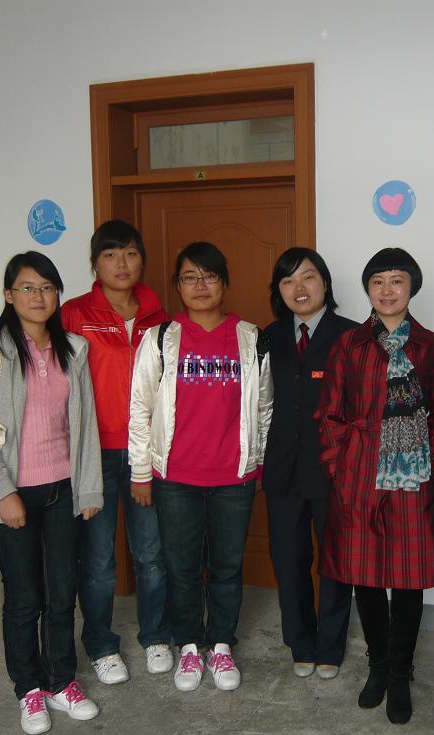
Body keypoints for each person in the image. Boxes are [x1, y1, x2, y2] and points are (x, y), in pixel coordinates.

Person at [0, 251, 103, 734]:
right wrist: (4, 491)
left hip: (62, 490)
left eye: (47, 287)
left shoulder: (73, 349)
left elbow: (84, 425)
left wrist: (88, 488)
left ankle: (61, 681)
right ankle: (29, 689)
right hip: (13, 493)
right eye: (27, 287)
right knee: (25, 598)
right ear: (8, 294)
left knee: (62, 593)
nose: (38, 296)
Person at [128, 241, 273, 695]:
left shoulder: (252, 338)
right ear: (178, 286)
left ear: (224, 283)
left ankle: (221, 644)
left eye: (209, 276)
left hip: (234, 478)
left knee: (227, 567)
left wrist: (258, 464)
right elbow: (139, 408)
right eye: (190, 277)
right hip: (176, 478)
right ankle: (190, 644)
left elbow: (265, 408)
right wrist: (140, 472)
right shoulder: (159, 339)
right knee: (182, 567)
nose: (200, 285)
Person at [317, 247, 434, 725]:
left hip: (412, 474)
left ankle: (400, 672)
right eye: (377, 281)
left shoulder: (431, 347)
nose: (387, 290)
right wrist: (341, 465)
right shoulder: (349, 345)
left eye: (397, 280)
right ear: (368, 290)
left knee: (408, 578)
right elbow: (329, 413)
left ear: (412, 287)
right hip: (359, 469)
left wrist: (433, 462)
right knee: (366, 574)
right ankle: (377, 665)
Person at [62, 220, 171, 685]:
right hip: (94, 453)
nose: (121, 263)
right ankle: (102, 645)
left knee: (151, 553)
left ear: (142, 260)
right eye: (110, 254)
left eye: (129, 253)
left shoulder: (159, 316)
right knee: (99, 561)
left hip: (146, 452)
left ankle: (156, 635)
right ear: (95, 264)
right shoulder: (73, 314)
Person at [262, 248, 358, 680]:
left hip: (334, 471)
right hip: (282, 469)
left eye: (308, 277)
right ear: (279, 291)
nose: (299, 288)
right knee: (289, 560)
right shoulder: (269, 337)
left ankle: (330, 646)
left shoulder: (352, 335)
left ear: (325, 283)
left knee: (335, 562)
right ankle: (300, 642)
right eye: (288, 281)